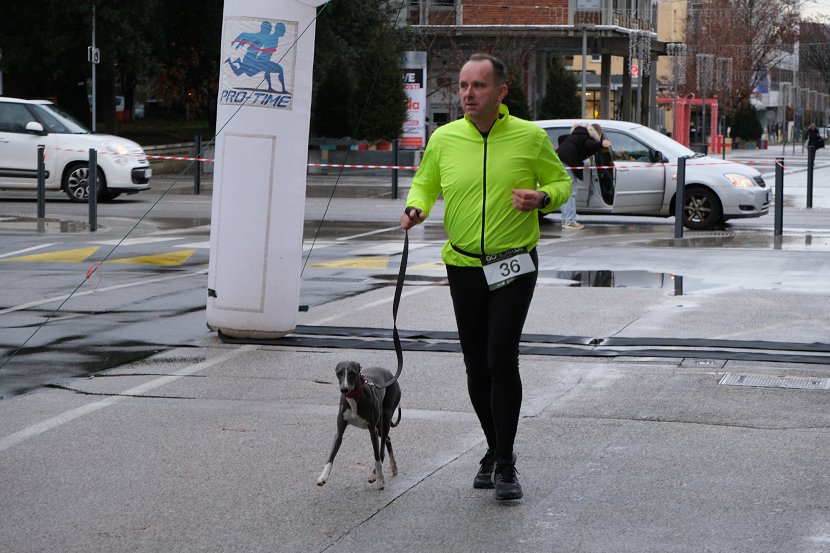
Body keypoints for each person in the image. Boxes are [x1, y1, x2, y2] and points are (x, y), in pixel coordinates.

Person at [399, 53, 570, 501]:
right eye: (463, 86)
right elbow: (425, 184)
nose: (468, 94)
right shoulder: (444, 138)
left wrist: (542, 197)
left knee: (501, 359)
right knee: (475, 364)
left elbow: (562, 185)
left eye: (478, 85)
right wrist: (416, 207)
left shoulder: (530, 137)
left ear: (501, 92)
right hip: (463, 265)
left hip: (514, 264)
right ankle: (494, 448)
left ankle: (506, 462)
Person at [555, 122, 611, 229]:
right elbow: (589, 145)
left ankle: (566, 220)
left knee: (566, 191)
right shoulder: (586, 137)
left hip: (560, 160)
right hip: (567, 162)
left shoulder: (578, 134)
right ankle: (569, 221)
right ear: (597, 133)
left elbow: (561, 138)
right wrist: (601, 144)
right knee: (570, 191)